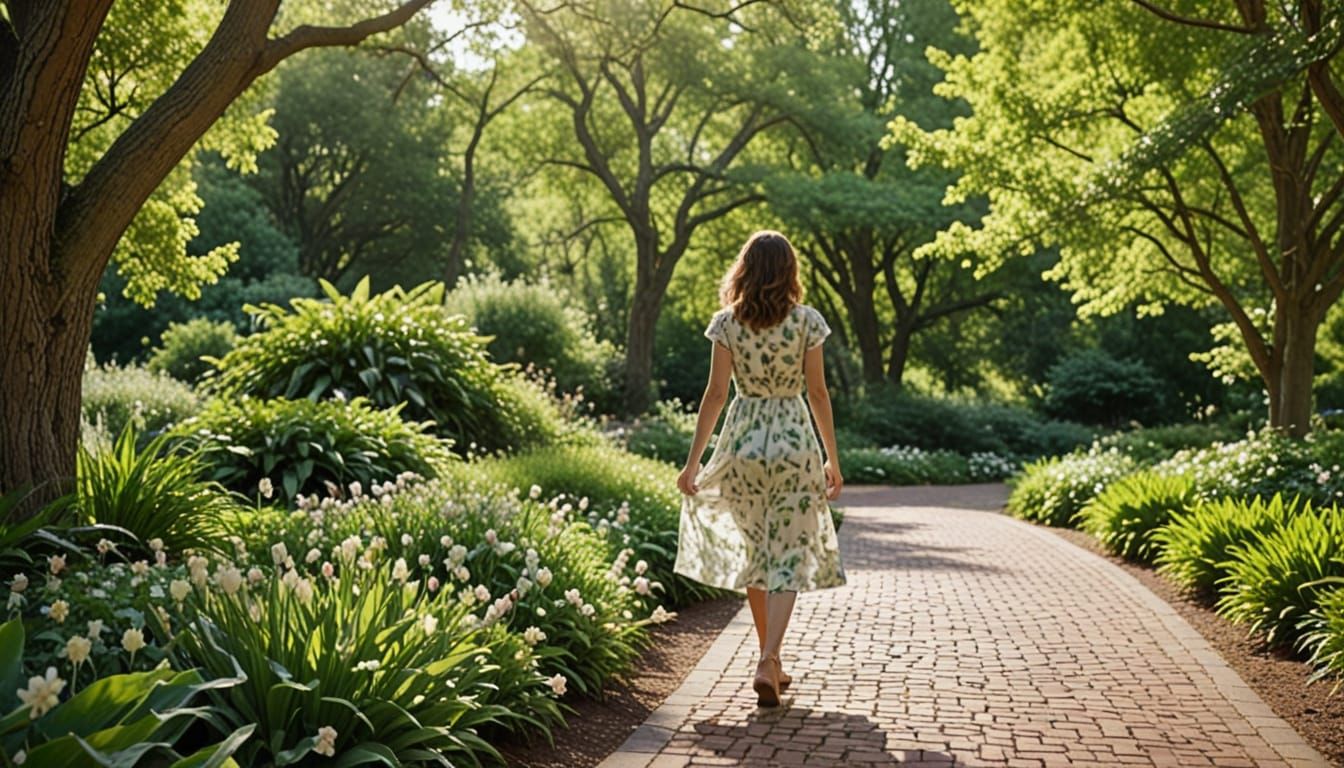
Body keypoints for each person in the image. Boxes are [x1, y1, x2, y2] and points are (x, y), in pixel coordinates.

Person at [673, 228, 847, 708]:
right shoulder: (808, 322)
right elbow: (817, 393)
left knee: (756, 553)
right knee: (787, 553)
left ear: (744, 270)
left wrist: (694, 464)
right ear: (789, 271)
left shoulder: (727, 323)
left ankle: (771, 657)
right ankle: (769, 658)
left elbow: (714, 395)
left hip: (743, 443)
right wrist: (832, 457)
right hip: (793, 444)